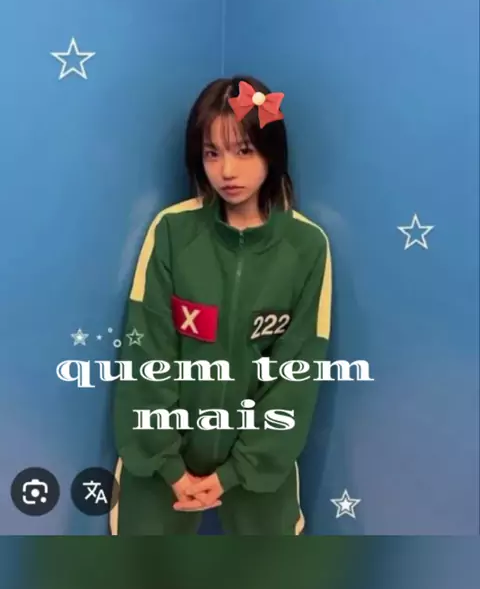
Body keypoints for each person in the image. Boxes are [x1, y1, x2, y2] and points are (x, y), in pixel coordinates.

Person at [110, 75, 332, 535]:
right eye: (212, 153)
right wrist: (170, 467)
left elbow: (296, 374)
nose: (227, 171)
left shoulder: (307, 246)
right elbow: (146, 353)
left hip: (260, 467)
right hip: (160, 463)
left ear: (271, 151)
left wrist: (236, 472)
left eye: (244, 150)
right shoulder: (172, 231)